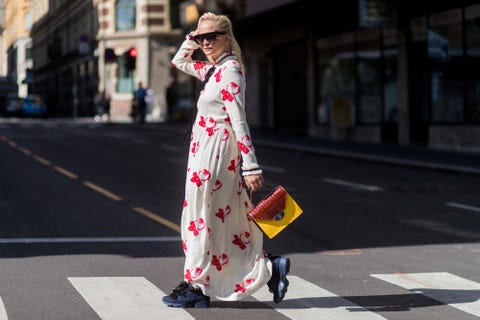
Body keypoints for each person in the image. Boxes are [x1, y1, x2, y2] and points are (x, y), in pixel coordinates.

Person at [162, 12, 290, 308]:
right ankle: (269, 269)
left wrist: (251, 165)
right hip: (205, 152)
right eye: (201, 38)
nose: (205, 43)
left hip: (217, 154)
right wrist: (191, 36)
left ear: (226, 38)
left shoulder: (229, 70)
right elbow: (179, 61)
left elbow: (238, 120)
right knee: (222, 224)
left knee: (200, 220)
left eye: (211, 37)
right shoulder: (212, 70)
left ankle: (195, 285)